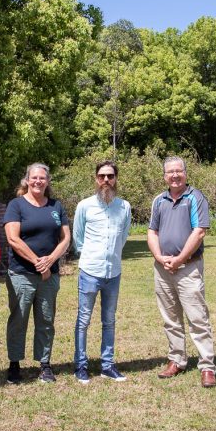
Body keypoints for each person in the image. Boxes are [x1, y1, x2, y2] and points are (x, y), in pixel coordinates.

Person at [147, 156, 216, 388]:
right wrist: (159, 257)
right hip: (163, 269)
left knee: (198, 318)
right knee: (171, 318)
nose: (174, 175)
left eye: (178, 171)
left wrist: (179, 259)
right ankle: (176, 360)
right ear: (164, 176)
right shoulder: (159, 200)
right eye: (170, 172)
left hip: (188, 268)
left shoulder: (195, 197)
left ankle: (207, 366)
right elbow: (152, 232)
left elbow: (199, 232)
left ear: (185, 173)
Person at [3, 162, 71, 384]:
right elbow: (13, 238)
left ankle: (45, 364)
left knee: (46, 320)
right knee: (18, 320)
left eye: (42, 178)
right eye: (34, 178)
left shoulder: (56, 206)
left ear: (48, 181)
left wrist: (50, 260)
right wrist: (37, 261)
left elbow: (65, 238)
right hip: (22, 274)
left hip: (49, 276)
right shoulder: (16, 205)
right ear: (27, 180)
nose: (38, 181)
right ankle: (14, 364)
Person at [71, 160, 132, 384]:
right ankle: (81, 365)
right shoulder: (84, 206)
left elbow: (123, 237)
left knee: (109, 320)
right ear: (96, 179)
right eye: (102, 176)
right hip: (90, 271)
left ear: (116, 179)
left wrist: (112, 257)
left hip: (113, 272)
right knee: (83, 320)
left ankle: (107, 365)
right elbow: (78, 238)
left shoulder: (124, 206)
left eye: (110, 176)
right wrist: (88, 256)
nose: (106, 180)